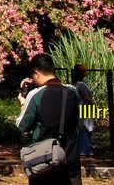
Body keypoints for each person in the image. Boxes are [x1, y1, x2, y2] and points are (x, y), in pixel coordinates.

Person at [16, 53, 81, 185]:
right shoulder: (73, 92)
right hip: (70, 159)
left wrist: (23, 102)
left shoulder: (35, 95)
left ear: (36, 73)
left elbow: (22, 125)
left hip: (44, 161)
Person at [72, 64, 94, 156]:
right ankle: (85, 150)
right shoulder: (81, 85)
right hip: (84, 108)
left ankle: (87, 147)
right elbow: (86, 97)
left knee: (85, 128)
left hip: (84, 109)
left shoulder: (78, 84)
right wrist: (93, 104)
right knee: (84, 128)